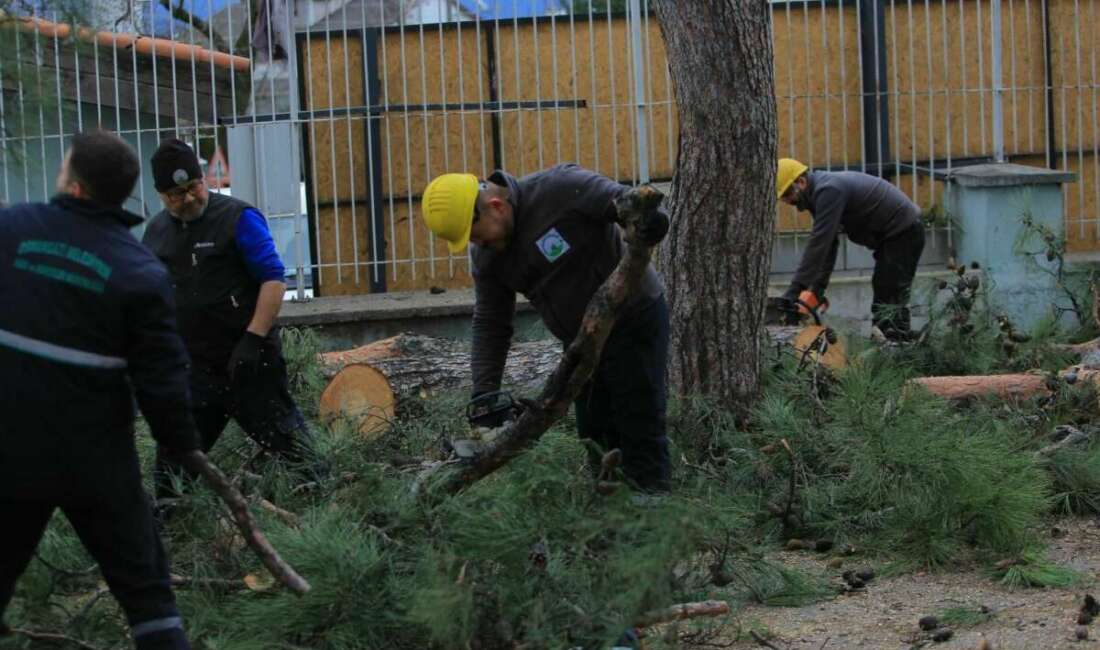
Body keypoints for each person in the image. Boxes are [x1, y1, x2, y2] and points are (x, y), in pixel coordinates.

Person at [0, 130, 196, 649]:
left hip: (10, 451)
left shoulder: (11, 230)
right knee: (147, 596)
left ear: (75, 183)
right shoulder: (139, 271)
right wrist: (183, 446)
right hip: (97, 463)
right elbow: (164, 379)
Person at [421, 164, 672, 493]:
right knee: (594, 431)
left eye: (475, 233)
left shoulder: (562, 189)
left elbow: (623, 203)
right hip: (581, 343)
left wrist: (647, 219)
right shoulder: (488, 257)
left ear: (496, 207)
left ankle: (653, 513)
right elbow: (491, 323)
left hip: (634, 318)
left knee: (638, 419)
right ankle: (612, 510)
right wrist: (485, 395)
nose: (476, 244)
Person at [141, 138, 314, 500]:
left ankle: (324, 509)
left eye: (193, 187)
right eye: (176, 194)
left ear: (204, 180)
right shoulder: (156, 234)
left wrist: (253, 340)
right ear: (161, 196)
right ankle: (166, 533)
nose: (188, 199)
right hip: (195, 372)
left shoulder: (237, 218)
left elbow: (273, 278)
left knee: (295, 453)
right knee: (174, 469)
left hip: (247, 363)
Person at [776, 158, 926, 340]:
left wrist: (795, 289)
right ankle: (896, 346)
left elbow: (820, 243)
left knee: (889, 294)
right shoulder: (820, 192)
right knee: (886, 292)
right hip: (894, 236)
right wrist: (817, 290)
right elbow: (829, 245)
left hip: (904, 232)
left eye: (787, 194)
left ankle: (899, 350)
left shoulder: (829, 190)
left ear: (801, 182)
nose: (787, 201)